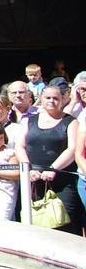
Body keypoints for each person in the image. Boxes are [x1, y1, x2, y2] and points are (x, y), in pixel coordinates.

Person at [15, 85, 81, 233]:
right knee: (33, 224)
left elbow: (72, 149)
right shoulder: (29, 121)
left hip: (61, 181)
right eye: (48, 97)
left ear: (63, 100)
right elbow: (19, 146)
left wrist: (52, 169)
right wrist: (27, 168)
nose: (52, 101)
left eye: (56, 98)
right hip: (32, 180)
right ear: (41, 99)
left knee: (63, 224)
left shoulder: (71, 122)